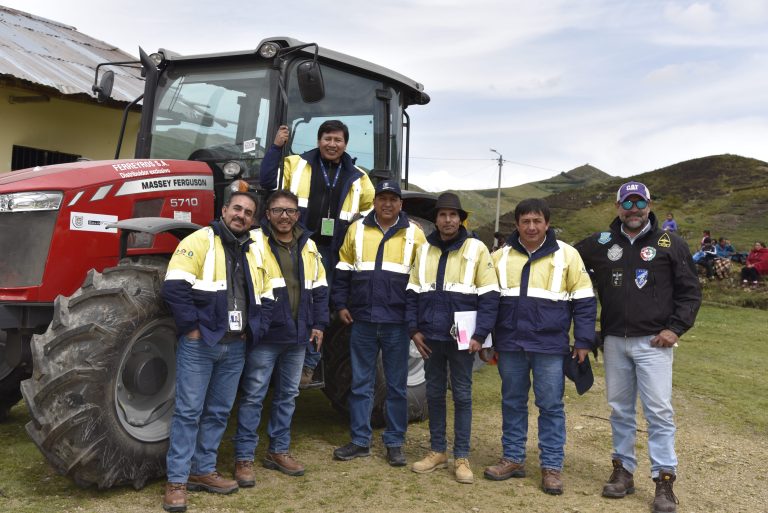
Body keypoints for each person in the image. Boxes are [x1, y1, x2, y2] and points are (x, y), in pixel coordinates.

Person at [575, 181, 701, 513]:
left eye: (639, 203)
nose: (633, 210)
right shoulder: (601, 243)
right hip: (615, 339)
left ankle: (664, 481)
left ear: (649, 204)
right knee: (620, 409)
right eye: (626, 204)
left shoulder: (670, 243)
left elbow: (690, 291)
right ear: (617, 208)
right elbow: (563, 258)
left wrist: (675, 329)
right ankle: (623, 471)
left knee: (659, 411)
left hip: (654, 343)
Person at [161, 191, 274, 513]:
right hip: (202, 344)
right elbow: (174, 286)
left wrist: (254, 329)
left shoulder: (253, 249)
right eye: (236, 208)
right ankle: (177, 482)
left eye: (248, 212)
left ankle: (203, 470)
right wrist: (192, 329)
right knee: (188, 412)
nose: (241, 215)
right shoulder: (199, 240)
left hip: (235, 345)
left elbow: (265, 293)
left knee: (218, 412)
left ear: (253, 219)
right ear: (224, 210)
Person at [486, 198, 596, 495]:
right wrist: (486, 340)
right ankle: (513, 459)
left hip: (550, 347)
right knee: (512, 402)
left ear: (547, 224)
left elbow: (585, 301)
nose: (531, 227)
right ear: (517, 225)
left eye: (537, 221)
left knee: (550, 405)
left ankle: (551, 467)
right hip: (510, 345)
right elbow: (487, 303)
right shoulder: (500, 257)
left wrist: (584, 340)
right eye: (526, 221)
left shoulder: (568, 255)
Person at [260, 120, 374, 388]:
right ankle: (280, 364)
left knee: (319, 307)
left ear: (345, 144)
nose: (332, 144)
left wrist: (404, 219)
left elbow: (375, 209)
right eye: (327, 139)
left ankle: (308, 366)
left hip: (334, 253)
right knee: (289, 302)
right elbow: (267, 181)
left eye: (338, 140)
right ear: (319, 140)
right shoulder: (295, 164)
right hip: (296, 246)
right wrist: (277, 147)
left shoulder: (359, 177)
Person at [232, 190, 329, 486]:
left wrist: (319, 324)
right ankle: (244, 458)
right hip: (267, 335)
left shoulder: (308, 245)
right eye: (277, 211)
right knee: (254, 396)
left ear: (298, 215)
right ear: (268, 214)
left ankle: (278, 451)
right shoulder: (253, 242)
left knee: (288, 396)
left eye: (289, 211)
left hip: (298, 335)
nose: (284, 216)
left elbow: (320, 287)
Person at [331, 180, 426, 466]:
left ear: (401, 204)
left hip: (396, 323)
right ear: (375, 202)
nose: (387, 204)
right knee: (362, 383)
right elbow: (343, 269)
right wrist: (340, 304)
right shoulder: (357, 229)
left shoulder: (415, 235)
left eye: (393, 199)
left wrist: (413, 321)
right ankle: (360, 441)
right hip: (363, 320)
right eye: (382, 198)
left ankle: (395, 442)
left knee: (396, 386)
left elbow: (421, 280)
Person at [406, 193, 499, 484]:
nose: (447, 220)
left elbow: (489, 296)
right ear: (436, 219)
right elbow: (412, 292)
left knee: (462, 396)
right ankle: (437, 451)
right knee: (434, 394)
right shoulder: (424, 249)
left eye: (453, 215)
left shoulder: (477, 249)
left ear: (461, 219)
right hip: (430, 337)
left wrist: (480, 335)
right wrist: (414, 329)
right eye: (442, 215)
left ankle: (461, 456)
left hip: (463, 339)